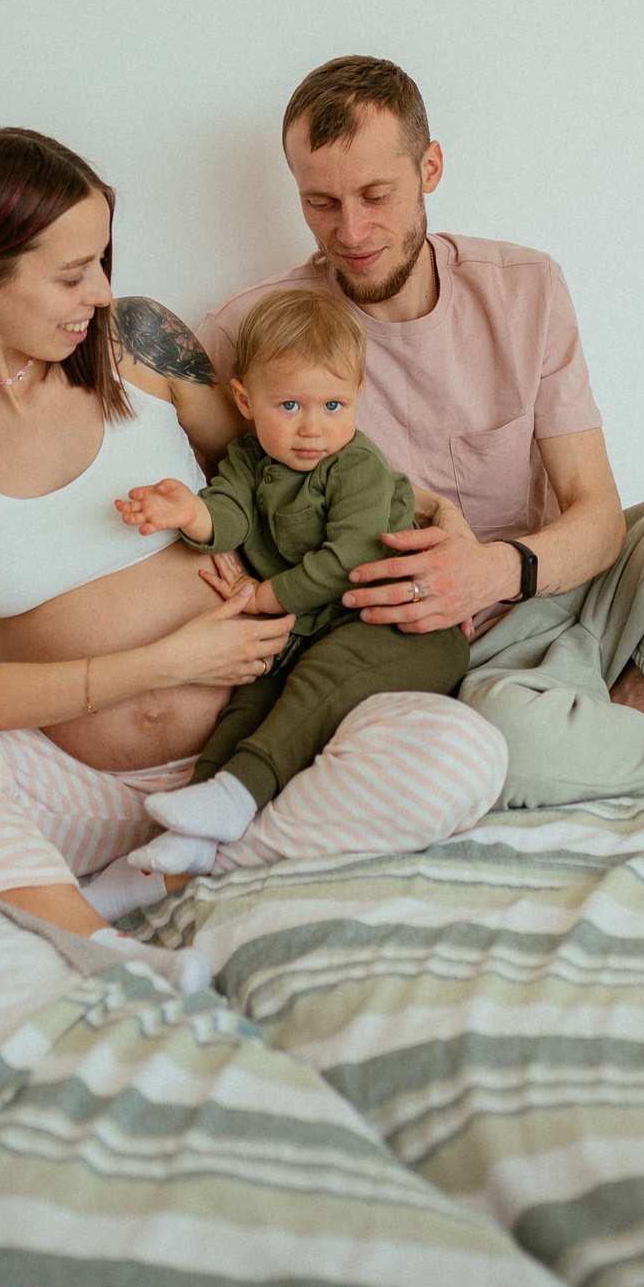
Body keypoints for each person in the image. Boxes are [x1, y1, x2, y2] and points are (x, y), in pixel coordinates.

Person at [0, 125, 509, 989]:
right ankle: (98, 935)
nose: (101, 292)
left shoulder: (139, 347)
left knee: (462, 751)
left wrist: (437, 513)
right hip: (77, 786)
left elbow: (296, 463)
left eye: (102, 261)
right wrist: (169, 662)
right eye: (71, 275)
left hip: (257, 747)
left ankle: (182, 863)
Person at [200, 58, 644, 810]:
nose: (350, 232)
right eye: (320, 203)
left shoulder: (525, 286)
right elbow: (213, 499)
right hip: (451, 663)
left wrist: (492, 570)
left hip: (570, 589)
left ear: (430, 168)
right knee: (505, 752)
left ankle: (628, 714)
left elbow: (598, 517)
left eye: (375, 195)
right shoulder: (254, 331)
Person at [112, 289, 470, 875]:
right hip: (310, 627)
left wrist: (265, 597)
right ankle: (189, 832)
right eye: (288, 406)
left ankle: (238, 795)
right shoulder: (248, 461)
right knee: (250, 697)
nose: (312, 428)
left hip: (401, 627)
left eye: (333, 405)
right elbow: (230, 513)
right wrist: (190, 513)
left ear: (358, 396)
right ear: (245, 401)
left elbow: (352, 555)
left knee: (320, 679)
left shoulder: (356, 465)